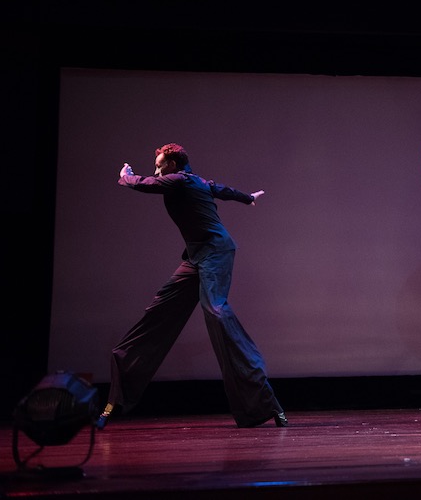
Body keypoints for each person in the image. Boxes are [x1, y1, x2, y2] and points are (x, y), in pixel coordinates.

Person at [98, 143, 287, 429]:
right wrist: (247, 198)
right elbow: (223, 190)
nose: (157, 170)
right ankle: (119, 394)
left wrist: (126, 175)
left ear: (172, 165)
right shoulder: (198, 181)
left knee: (216, 311)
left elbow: (145, 184)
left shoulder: (178, 180)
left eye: (161, 165)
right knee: (159, 309)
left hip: (216, 253)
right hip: (197, 257)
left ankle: (263, 400)